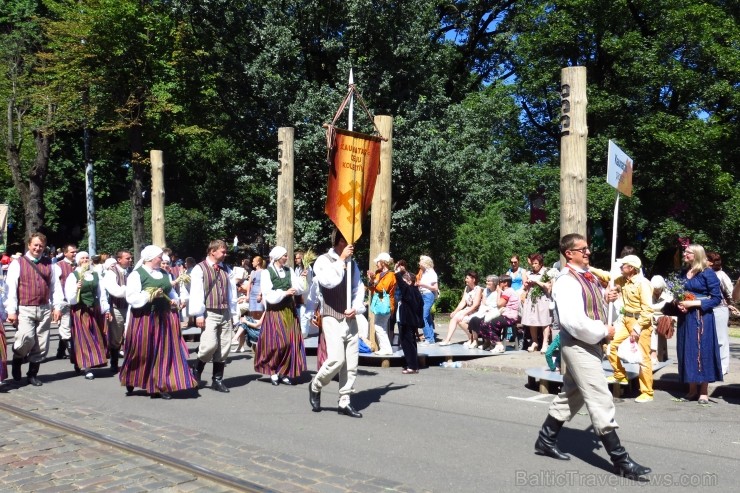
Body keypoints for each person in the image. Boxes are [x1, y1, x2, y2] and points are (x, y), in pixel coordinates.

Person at [534, 234, 651, 480]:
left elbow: (591, 304)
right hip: (578, 344)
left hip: (589, 344)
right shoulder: (566, 281)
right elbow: (573, 321)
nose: (588, 252)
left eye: (588, 248)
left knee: (572, 395)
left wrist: (606, 298)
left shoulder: (586, 277)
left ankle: (545, 439)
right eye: (583, 249)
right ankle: (620, 460)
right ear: (570, 254)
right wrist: (603, 330)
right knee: (599, 396)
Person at [120, 245, 197, 399]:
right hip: (144, 318)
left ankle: (159, 385)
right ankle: (132, 376)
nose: (162, 259)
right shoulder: (137, 275)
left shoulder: (163, 273)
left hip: (164, 317)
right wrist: (149, 296)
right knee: (141, 352)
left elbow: (170, 291)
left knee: (163, 351)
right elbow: (131, 297)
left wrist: (176, 300)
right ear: (149, 258)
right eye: (159, 257)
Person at [309, 229, 365, 418]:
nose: (351, 247)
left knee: (351, 363)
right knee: (336, 360)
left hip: (350, 317)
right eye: (347, 242)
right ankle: (315, 385)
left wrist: (356, 307)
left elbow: (358, 289)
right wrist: (341, 260)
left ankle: (345, 400)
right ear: (338, 242)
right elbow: (328, 282)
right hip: (331, 316)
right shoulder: (323, 260)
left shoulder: (353, 264)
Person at [5, 233, 63, 386]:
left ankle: (32, 374)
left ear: (44, 247)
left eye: (41, 246)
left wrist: (57, 307)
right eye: (35, 245)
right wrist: (11, 310)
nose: (38, 248)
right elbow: (11, 288)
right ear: (29, 245)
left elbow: (56, 287)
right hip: (25, 307)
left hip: (44, 308)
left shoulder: (50, 264)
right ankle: (18, 359)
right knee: (26, 338)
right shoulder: (18, 263)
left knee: (42, 344)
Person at [668, 245, 723, 403]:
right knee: (688, 350)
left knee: (702, 350)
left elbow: (716, 298)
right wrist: (678, 303)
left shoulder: (707, 273)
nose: (684, 254)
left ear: (696, 255)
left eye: (688, 253)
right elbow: (678, 293)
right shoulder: (683, 273)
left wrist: (694, 304)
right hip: (686, 317)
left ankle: (704, 391)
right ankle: (692, 390)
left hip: (702, 317)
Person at [188, 239, 238, 393]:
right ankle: (197, 368)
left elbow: (232, 292)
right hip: (209, 312)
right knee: (209, 345)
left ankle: (217, 380)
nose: (225, 254)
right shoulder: (199, 269)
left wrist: (234, 314)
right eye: (223, 251)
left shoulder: (226, 269)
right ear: (212, 251)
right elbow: (196, 292)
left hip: (225, 311)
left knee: (224, 347)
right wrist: (199, 314)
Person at [253, 246, 307, 385]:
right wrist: (284, 293)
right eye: (284, 255)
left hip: (289, 310)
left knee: (290, 343)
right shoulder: (267, 273)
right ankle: (272, 370)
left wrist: (302, 279)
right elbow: (268, 294)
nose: (287, 258)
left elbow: (299, 288)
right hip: (275, 311)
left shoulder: (289, 271)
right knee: (276, 343)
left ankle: (283, 371)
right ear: (277, 257)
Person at [606, 255, 654, 403]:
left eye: (623, 265)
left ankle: (647, 392)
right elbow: (607, 276)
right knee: (611, 347)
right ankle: (620, 374)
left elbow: (647, 310)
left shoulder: (642, 283)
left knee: (643, 357)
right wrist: (588, 269)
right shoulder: (623, 280)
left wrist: (637, 328)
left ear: (631, 268)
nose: (620, 268)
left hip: (640, 322)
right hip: (626, 320)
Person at [64, 251, 112, 380]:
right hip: (80, 310)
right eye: (82, 258)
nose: (85, 260)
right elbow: (70, 299)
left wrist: (105, 309)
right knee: (84, 339)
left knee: (96, 336)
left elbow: (101, 293)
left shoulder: (95, 275)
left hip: (94, 310)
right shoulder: (73, 276)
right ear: (78, 261)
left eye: (87, 258)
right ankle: (87, 367)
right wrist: (76, 288)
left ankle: (86, 362)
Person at [707, 252, 738, 375]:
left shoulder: (721, 275)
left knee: (721, 338)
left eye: (706, 259)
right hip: (707, 308)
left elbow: (731, 291)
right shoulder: (704, 274)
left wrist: (729, 303)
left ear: (711, 262)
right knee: (709, 338)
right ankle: (713, 364)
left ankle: (723, 366)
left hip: (720, 308)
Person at [101, 250, 133, 373]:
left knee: (131, 334)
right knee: (116, 336)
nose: (130, 260)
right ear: (119, 259)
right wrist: (129, 290)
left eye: (130, 258)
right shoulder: (111, 272)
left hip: (131, 307)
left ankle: (129, 362)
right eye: (128, 258)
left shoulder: (132, 271)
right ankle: (114, 363)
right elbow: (115, 291)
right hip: (117, 308)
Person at [479, 275, 520, 354]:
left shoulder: (508, 291)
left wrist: (498, 292)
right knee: (487, 323)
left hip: (509, 317)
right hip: (507, 315)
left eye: (500, 282)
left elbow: (499, 304)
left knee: (488, 324)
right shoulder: (510, 291)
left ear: (505, 283)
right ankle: (494, 344)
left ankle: (499, 345)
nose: (498, 283)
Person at [520, 253, 554, 353]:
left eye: (536, 263)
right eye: (533, 263)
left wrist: (536, 282)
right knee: (532, 321)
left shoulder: (547, 272)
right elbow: (525, 288)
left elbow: (549, 287)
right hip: (531, 299)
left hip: (543, 298)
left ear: (541, 263)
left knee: (544, 321)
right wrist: (526, 285)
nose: (534, 265)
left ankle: (545, 343)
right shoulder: (529, 273)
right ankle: (534, 342)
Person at [438, 271, 482, 346]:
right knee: (454, 318)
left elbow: (475, 305)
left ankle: (471, 338)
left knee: (460, 319)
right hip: (468, 309)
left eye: (467, 278)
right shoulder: (466, 288)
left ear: (473, 279)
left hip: (476, 311)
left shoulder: (478, 289)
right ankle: (447, 340)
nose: (465, 280)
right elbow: (462, 302)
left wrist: (464, 313)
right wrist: (455, 311)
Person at [394, 265, 424, 373]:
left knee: (408, 343)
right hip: (408, 320)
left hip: (407, 321)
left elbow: (402, 285)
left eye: (405, 280)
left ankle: (412, 366)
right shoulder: (414, 291)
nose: (403, 282)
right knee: (409, 343)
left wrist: (398, 273)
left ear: (410, 282)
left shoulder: (410, 290)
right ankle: (412, 364)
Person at [367, 252, 396, 355]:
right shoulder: (379, 274)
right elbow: (372, 289)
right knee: (380, 326)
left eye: (378, 262)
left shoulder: (391, 275)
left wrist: (374, 280)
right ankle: (386, 348)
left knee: (379, 326)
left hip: (386, 304)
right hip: (380, 303)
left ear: (383, 262)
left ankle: (386, 349)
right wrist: (371, 280)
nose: (376, 264)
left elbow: (382, 288)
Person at [53, 243, 77, 360]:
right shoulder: (58, 266)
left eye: (75, 252)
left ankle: (60, 351)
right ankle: (72, 354)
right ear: (65, 253)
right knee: (66, 326)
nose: (74, 254)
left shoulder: (78, 265)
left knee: (72, 326)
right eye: (72, 252)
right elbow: (55, 285)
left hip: (77, 301)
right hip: (64, 300)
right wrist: (57, 302)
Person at [462, 275, 500, 349]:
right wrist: (484, 308)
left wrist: (488, 308)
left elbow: (497, 304)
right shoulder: (486, 290)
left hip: (493, 311)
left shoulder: (497, 291)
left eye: (489, 281)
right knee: (473, 319)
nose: (486, 282)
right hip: (485, 309)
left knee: (483, 321)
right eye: (487, 280)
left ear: (494, 282)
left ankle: (487, 342)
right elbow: (484, 302)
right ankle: (475, 341)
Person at [649, 275, 673, 364]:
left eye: (658, 290)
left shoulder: (668, 296)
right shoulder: (648, 294)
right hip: (650, 318)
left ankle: (653, 354)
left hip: (663, 320)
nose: (656, 292)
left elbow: (672, 312)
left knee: (654, 329)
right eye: (655, 290)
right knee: (651, 327)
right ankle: (653, 353)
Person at [416, 255, 438, 346]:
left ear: (425, 263)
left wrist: (423, 285)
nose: (419, 263)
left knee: (423, 316)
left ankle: (428, 338)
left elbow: (435, 288)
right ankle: (431, 338)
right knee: (427, 317)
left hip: (428, 295)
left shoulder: (432, 273)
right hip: (423, 295)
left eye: (421, 261)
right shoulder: (424, 272)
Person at [246, 256, 265, 320]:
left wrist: (260, 294)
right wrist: (248, 295)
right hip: (252, 294)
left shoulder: (263, 272)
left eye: (253, 261)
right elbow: (249, 284)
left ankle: (259, 328)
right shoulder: (252, 272)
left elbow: (263, 284)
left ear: (258, 262)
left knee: (259, 312)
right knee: (252, 311)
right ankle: (252, 327)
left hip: (259, 294)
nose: (252, 263)